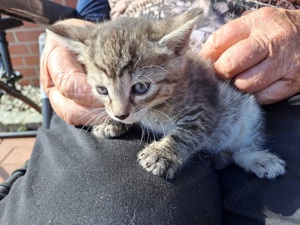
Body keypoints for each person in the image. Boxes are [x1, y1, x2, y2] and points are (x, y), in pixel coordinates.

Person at [0, 0, 300, 224]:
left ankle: (244, 153)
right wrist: (70, 37)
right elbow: (89, 16)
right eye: (103, 91)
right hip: (126, 47)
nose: (118, 111)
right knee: (97, 211)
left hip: (273, 81)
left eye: (139, 88)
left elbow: (202, 115)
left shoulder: (177, 73)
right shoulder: (122, 98)